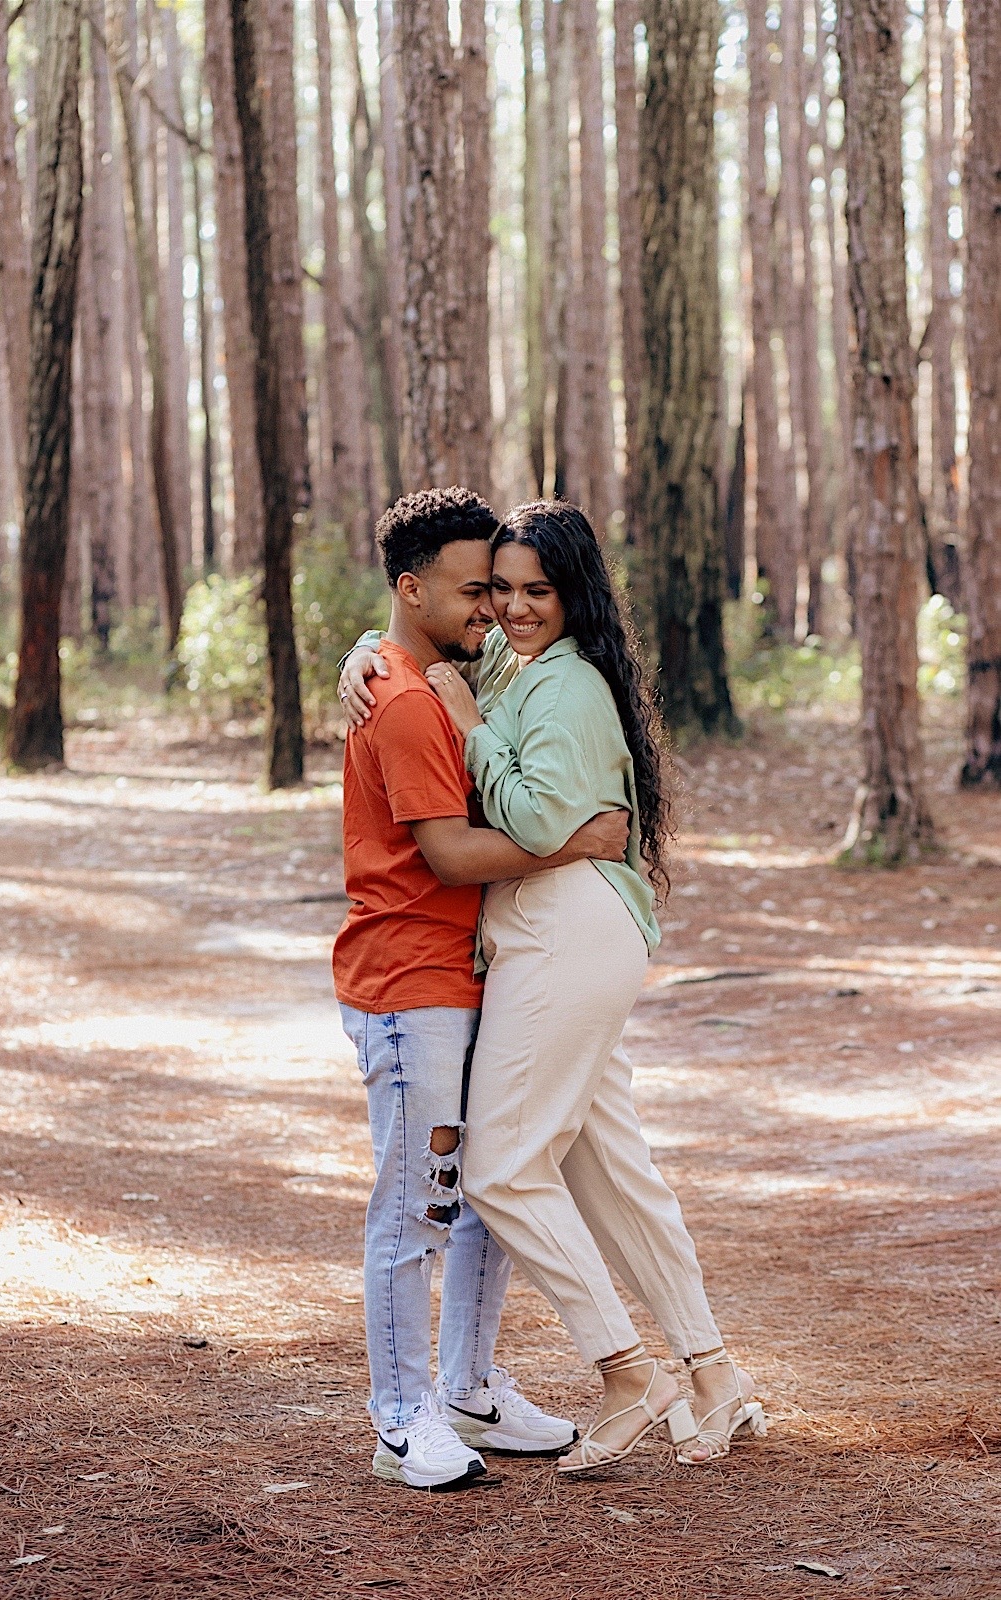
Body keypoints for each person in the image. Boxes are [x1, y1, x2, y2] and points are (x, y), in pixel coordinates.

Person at [340, 500, 766, 1473]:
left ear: (575, 595)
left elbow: (531, 820)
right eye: (497, 588)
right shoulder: (506, 663)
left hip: (563, 930)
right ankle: (711, 1371)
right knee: (606, 1165)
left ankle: (625, 1371)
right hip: (550, 932)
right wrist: (364, 651)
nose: (511, 607)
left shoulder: (562, 684)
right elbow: (417, 639)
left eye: (536, 590)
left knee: (498, 1170)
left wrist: (468, 728)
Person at [333, 488, 633, 1491]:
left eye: (500, 589)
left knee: (479, 1195)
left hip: (464, 975)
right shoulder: (406, 701)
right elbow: (452, 854)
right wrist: (577, 840)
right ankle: (399, 1417)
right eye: (474, 592)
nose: (493, 611)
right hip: (408, 980)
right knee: (415, 1206)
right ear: (411, 589)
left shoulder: (434, 676)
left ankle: (465, 1387)